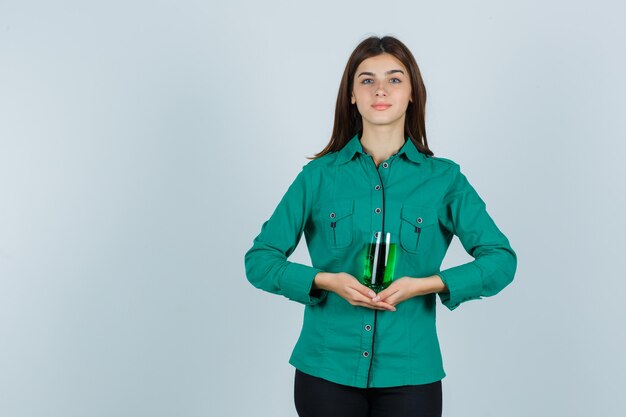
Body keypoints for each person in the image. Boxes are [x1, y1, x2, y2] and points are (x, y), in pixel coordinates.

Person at [244, 35, 517, 417]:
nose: (380, 90)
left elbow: (500, 260)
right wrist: (325, 281)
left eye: (394, 78)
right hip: (326, 369)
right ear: (352, 95)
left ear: (412, 94)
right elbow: (260, 260)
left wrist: (425, 285)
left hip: (410, 372)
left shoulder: (444, 180)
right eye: (367, 80)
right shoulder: (318, 177)